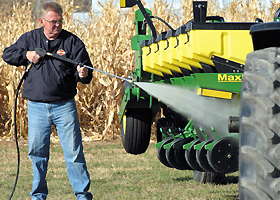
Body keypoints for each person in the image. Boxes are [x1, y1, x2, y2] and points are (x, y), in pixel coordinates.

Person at [2, 2, 93, 200]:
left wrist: (83, 73)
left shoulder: (72, 42)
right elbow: (7, 54)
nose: (57, 26)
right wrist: (26, 54)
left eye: (60, 22)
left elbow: (86, 72)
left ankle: (83, 195)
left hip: (64, 106)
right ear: (42, 21)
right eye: (53, 22)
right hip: (37, 108)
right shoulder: (30, 38)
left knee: (74, 153)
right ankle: (38, 195)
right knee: (37, 153)